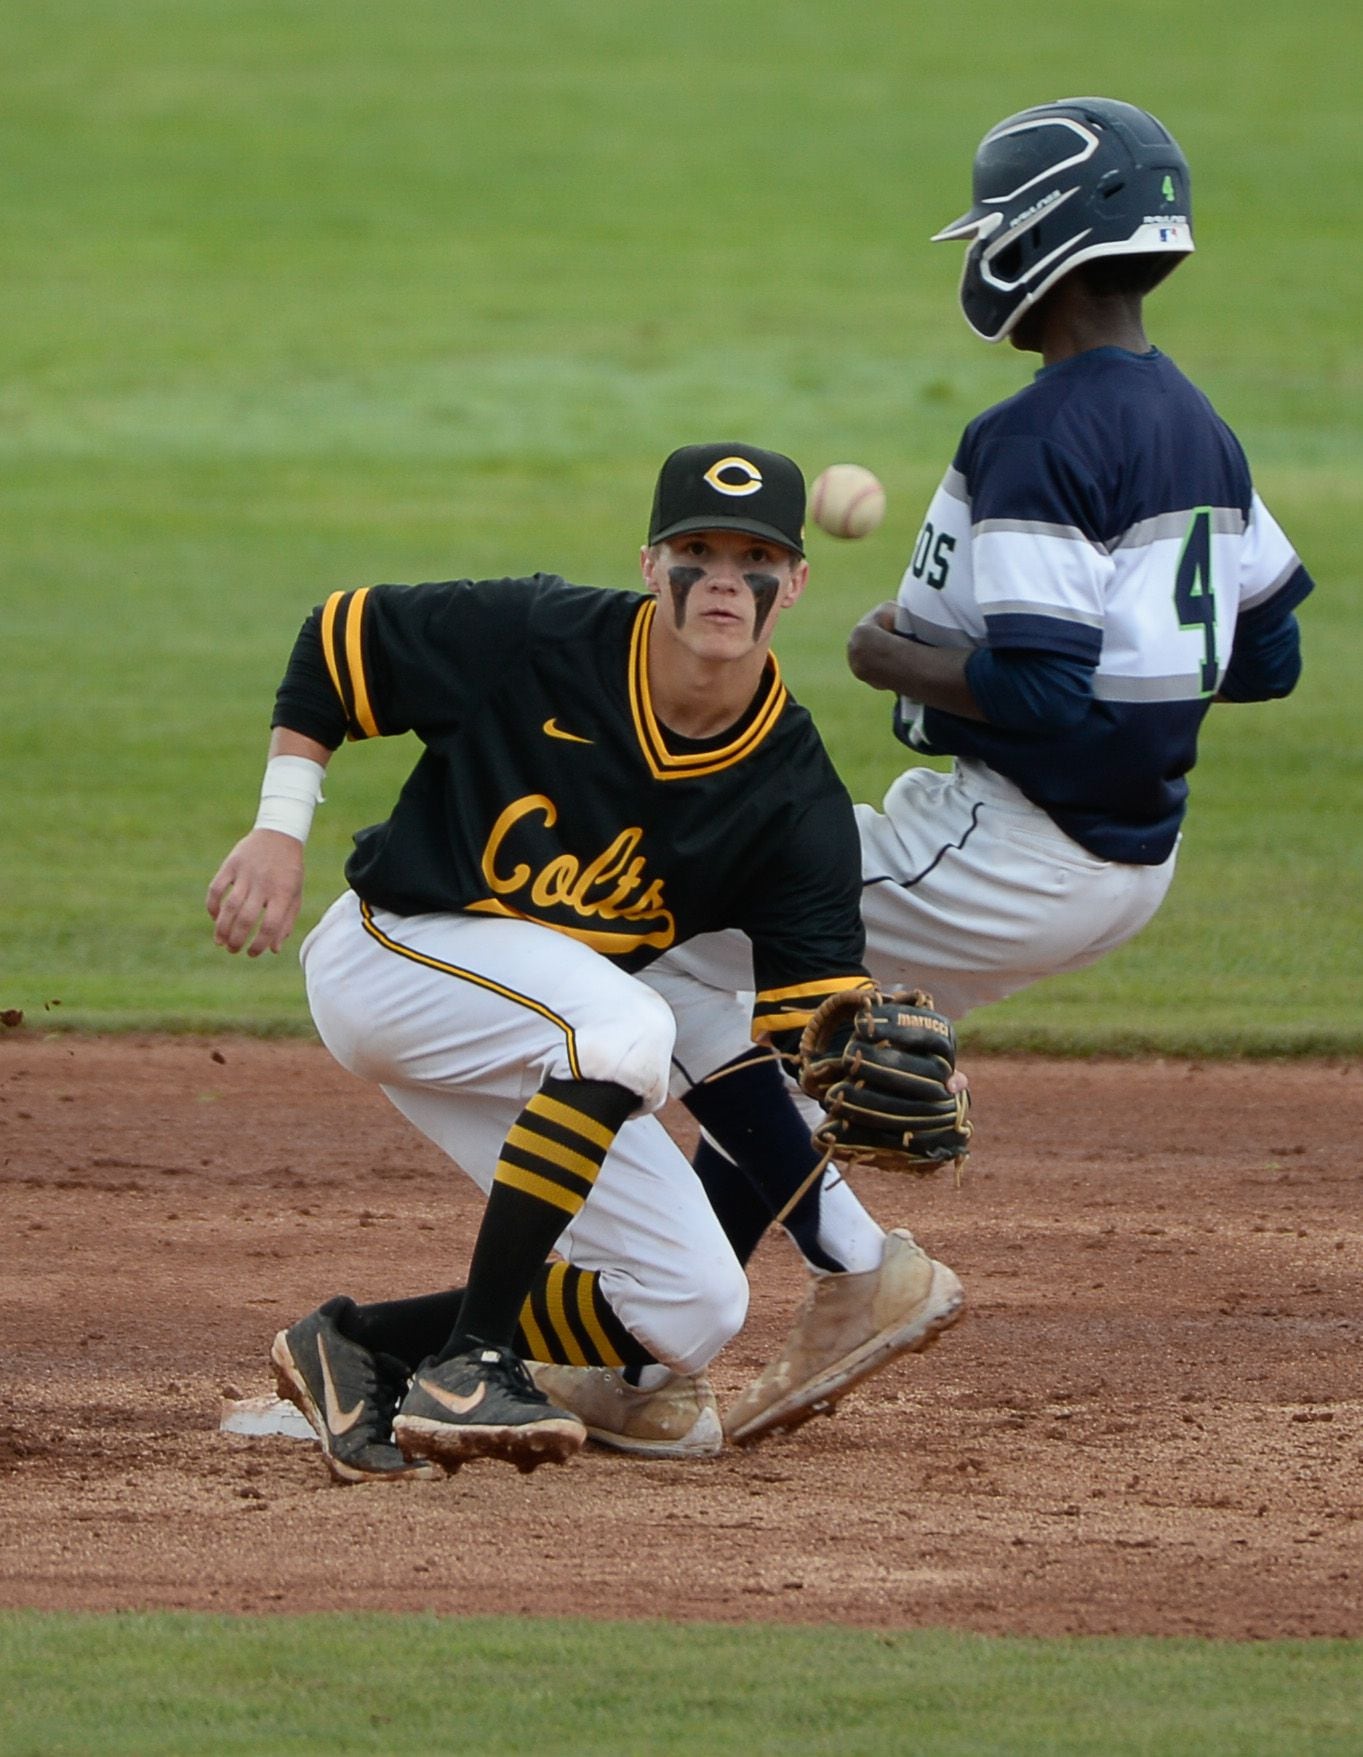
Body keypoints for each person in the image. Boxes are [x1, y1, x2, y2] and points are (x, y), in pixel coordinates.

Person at [648, 96, 1314, 1442]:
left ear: (1041, 239)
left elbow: (1034, 685)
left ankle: (853, 1265)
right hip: (1120, 860)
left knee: (657, 936)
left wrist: (883, 655)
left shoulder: (1034, 436)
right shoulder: (1199, 426)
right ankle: (639, 1350)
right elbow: (1265, 657)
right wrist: (1145, 678)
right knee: (793, 1052)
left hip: (1006, 844)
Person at [206, 441, 965, 1484]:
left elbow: (806, 1011)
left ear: (794, 581)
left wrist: (863, 1064)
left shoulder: (793, 796)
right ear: (652, 564)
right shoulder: (535, 635)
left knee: (694, 1303)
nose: (723, 579)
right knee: (630, 1025)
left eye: (754, 557)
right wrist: (278, 829)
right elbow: (341, 642)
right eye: (696, 550)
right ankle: (471, 1364)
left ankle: (360, 1344)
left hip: (544, 1034)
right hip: (395, 957)